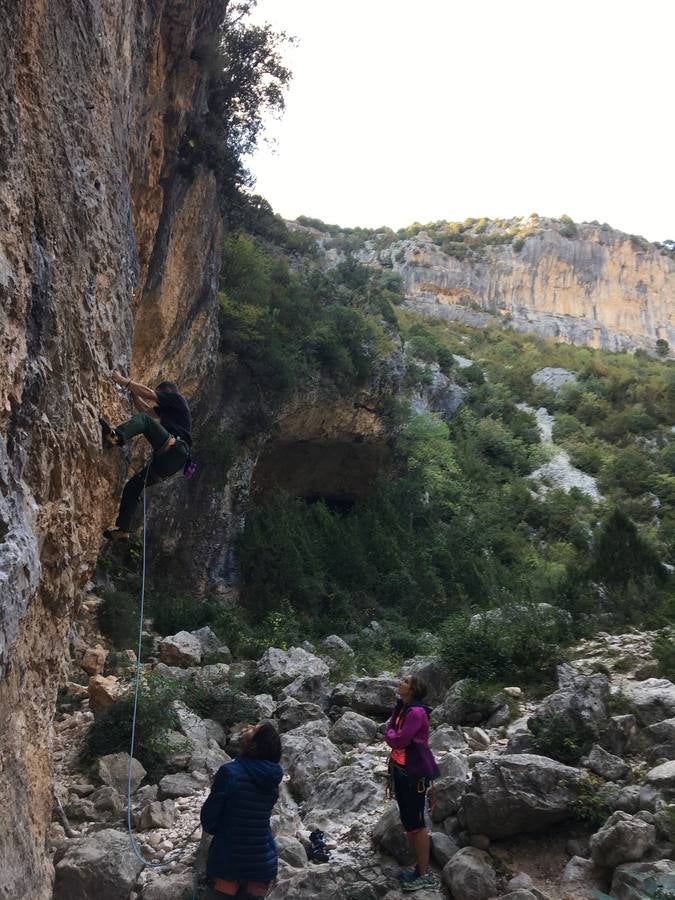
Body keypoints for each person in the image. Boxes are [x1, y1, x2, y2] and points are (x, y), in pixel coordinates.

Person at [100, 368, 192, 540]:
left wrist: (122, 380)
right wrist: (132, 392)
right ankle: (123, 530)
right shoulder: (168, 411)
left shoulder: (177, 399)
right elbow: (145, 409)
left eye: (160, 395)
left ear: (167, 392)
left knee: (145, 422)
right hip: (170, 463)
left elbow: (149, 395)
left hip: (176, 449)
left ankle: (117, 436)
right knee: (133, 487)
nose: (159, 398)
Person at [200, 722, 283, 899]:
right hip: (262, 863)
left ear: (253, 745)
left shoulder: (229, 772)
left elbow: (209, 821)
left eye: (254, 729)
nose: (249, 726)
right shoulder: (273, 779)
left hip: (230, 862)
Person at [384, 675, 440, 893]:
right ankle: (420, 869)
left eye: (405, 681)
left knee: (417, 823)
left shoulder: (416, 712)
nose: (400, 683)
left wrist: (390, 735)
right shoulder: (402, 707)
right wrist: (391, 733)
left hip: (414, 773)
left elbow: (398, 740)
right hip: (402, 769)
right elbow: (392, 729)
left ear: (413, 689)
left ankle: (425, 875)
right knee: (409, 821)